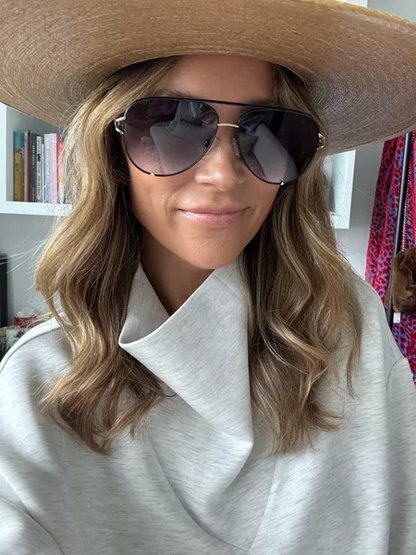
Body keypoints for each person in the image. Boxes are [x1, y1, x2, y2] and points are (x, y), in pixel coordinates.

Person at [0, 1, 416, 553]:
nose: (222, 173)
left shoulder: (348, 327)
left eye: (268, 130)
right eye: (170, 124)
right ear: (114, 149)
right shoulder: (40, 381)